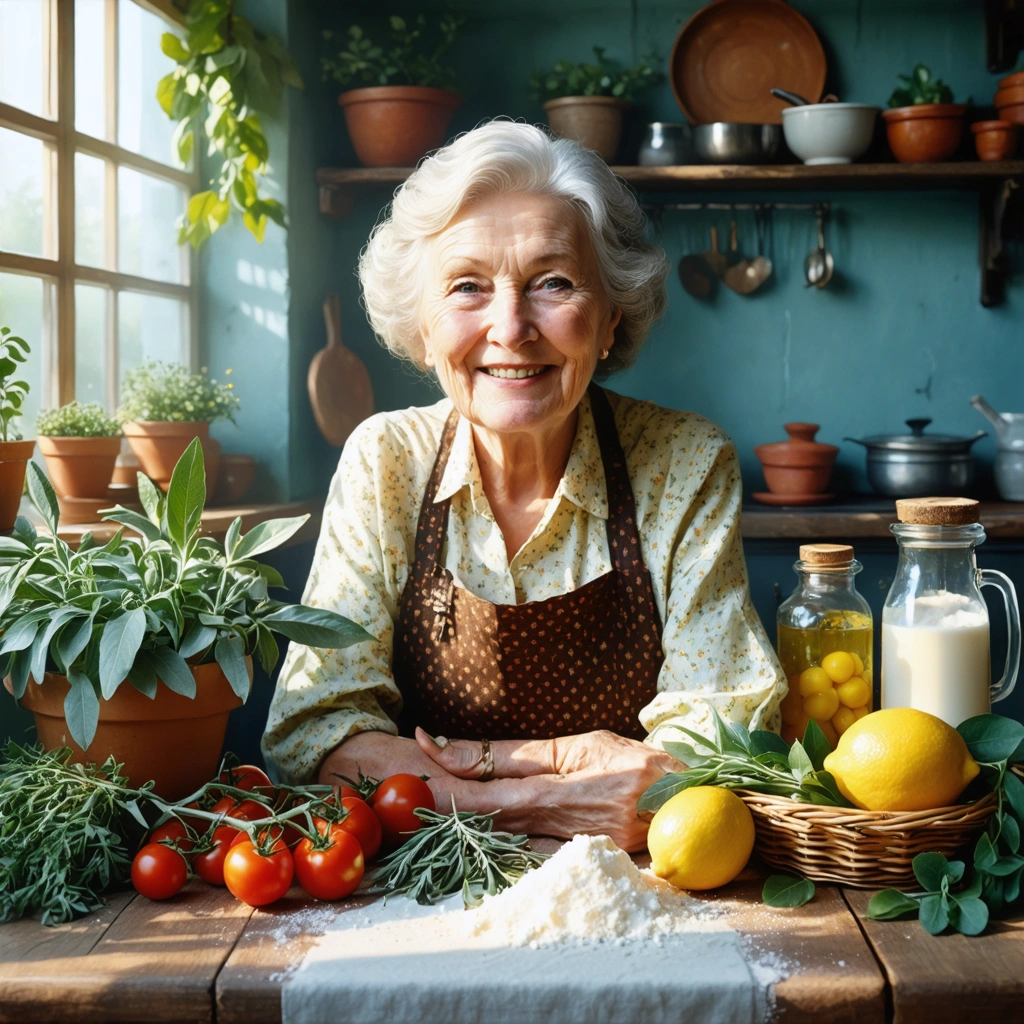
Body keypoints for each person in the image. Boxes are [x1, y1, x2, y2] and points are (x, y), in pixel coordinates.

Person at [262, 120, 784, 850]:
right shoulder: (386, 460)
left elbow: (723, 729)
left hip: (636, 884)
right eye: (467, 287)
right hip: (416, 884)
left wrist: (454, 783)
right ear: (424, 327)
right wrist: (536, 805)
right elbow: (315, 732)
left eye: (553, 283)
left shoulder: (682, 461)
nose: (510, 327)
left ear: (609, 319)